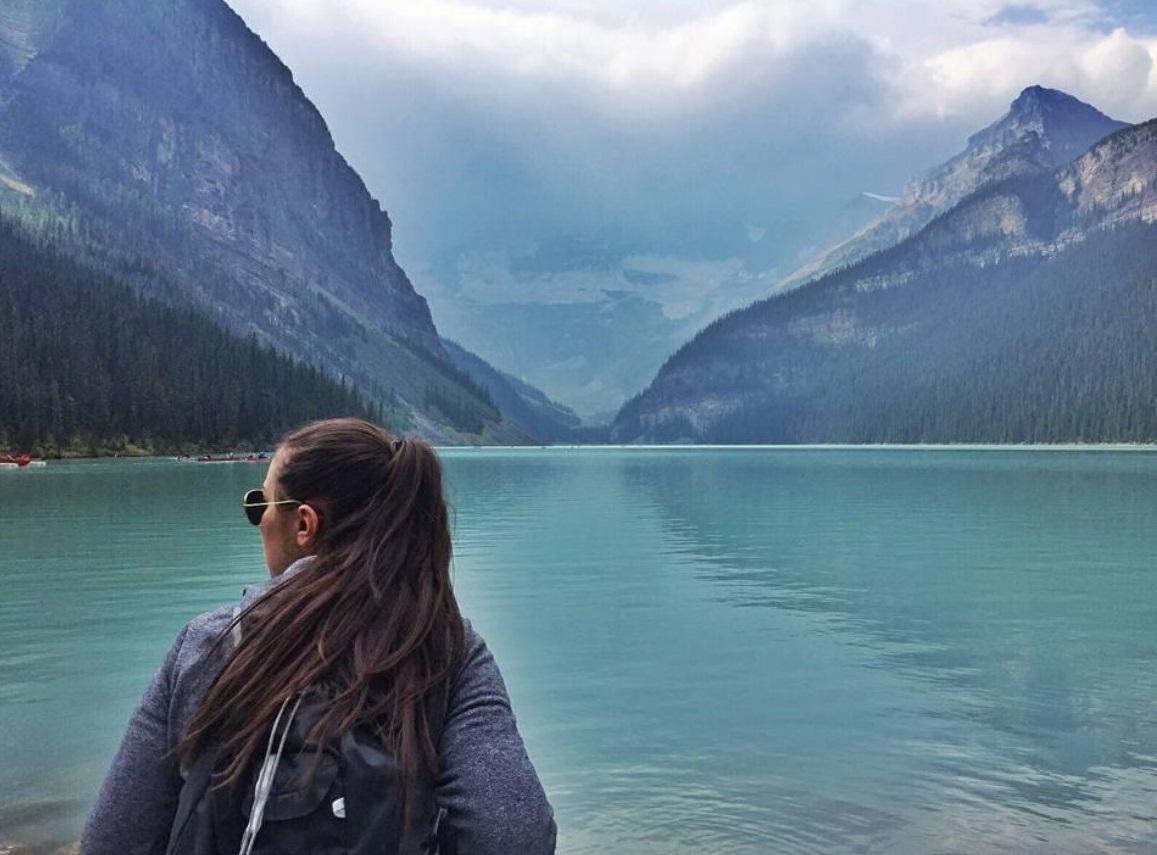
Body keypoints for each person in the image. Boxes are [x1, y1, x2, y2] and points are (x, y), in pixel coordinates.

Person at [80, 418, 557, 855]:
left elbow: (114, 840)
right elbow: (514, 836)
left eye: (260, 504)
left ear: (304, 524)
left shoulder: (209, 643)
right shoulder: (446, 651)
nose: (258, 518)